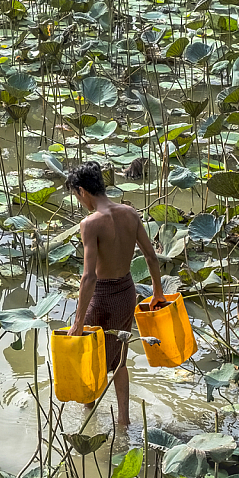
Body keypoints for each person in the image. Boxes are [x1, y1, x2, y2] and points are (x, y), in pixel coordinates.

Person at [66, 161, 166, 426]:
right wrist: (157, 292)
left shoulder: (90, 224)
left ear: (82, 191)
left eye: (77, 196)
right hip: (126, 292)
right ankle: (123, 420)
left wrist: (77, 322)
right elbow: (151, 256)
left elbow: (88, 277)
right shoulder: (130, 214)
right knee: (120, 359)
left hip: (102, 297)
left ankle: (89, 412)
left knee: (92, 354)